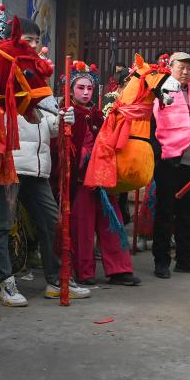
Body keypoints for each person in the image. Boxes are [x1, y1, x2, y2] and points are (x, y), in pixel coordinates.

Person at [0, 17, 90, 306]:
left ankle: (56, 279)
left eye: (36, 40)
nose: (34, 46)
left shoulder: (37, 76)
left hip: (38, 167)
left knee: (52, 222)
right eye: (27, 40)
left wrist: (63, 120)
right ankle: (4, 282)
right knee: (1, 225)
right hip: (8, 164)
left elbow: (48, 125)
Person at [67, 62, 140, 286]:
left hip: (102, 180)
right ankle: (84, 272)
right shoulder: (67, 114)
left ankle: (120, 270)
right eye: (80, 88)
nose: (86, 92)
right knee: (83, 229)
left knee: (113, 224)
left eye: (89, 88)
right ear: (71, 90)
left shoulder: (98, 115)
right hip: (80, 182)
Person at [151, 51, 190, 278]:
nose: (185, 72)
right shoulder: (161, 88)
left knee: (187, 213)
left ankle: (185, 258)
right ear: (171, 67)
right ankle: (161, 261)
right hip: (169, 158)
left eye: (189, 68)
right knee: (165, 212)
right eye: (181, 67)